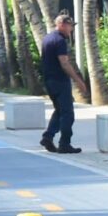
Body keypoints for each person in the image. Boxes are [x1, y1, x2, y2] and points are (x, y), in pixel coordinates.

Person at [39, 12, 79, 154]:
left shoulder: (47, 39)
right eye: (70, 26)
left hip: (49, 81)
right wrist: (78, 80)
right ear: (61, 25)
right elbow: (64, 63)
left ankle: (48, 137)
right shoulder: (60, 41)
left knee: (60, 110)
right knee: (68, 113)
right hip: (60, 80)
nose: (71, 29)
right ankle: (65, 143)